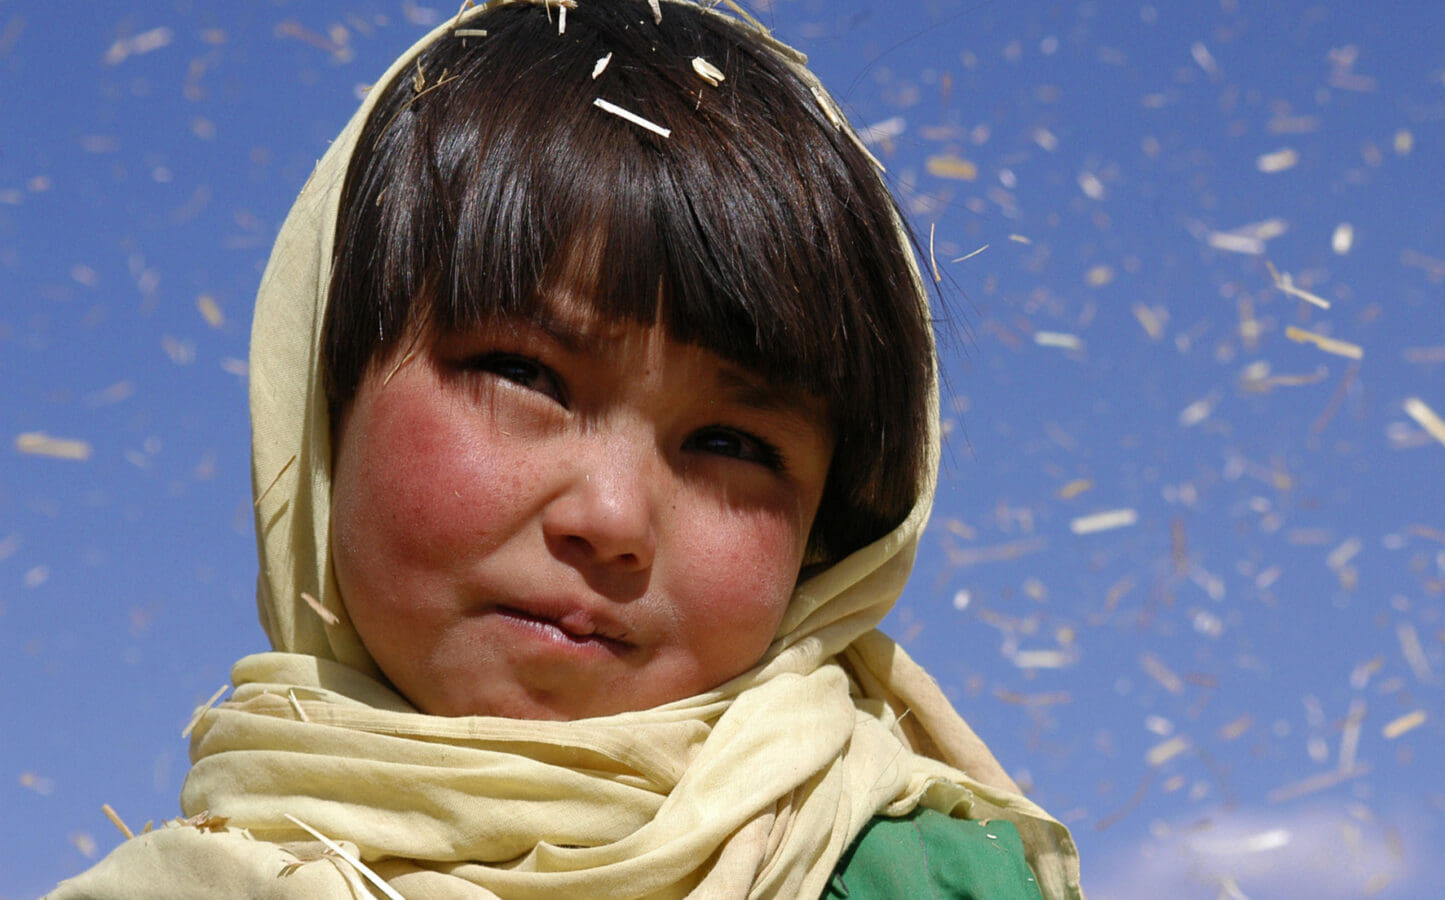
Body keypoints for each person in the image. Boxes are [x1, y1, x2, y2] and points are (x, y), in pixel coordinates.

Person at [51, 1, 1082, 896]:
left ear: (831, 543)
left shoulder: (907, 877)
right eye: (525, 374)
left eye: (730, 442)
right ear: (325, 395)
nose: (612, 519)